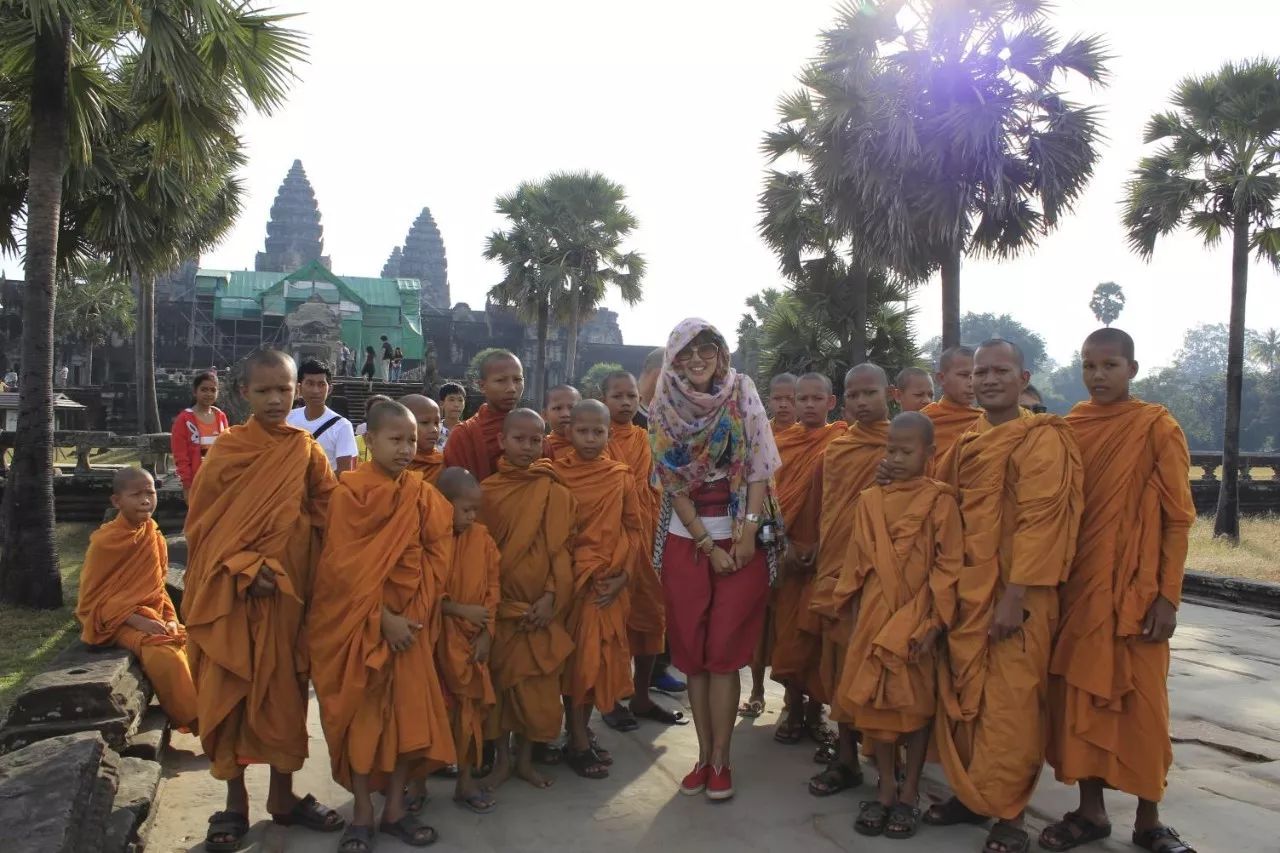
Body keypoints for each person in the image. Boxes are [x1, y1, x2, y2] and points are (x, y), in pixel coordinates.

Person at [1040, 328, 1197, 853]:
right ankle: (1090, 812)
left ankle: (1150, 819)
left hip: (1137, 595)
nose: (1098, 375)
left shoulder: (1156, 427)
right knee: (1081, 700)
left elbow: (1178, 518)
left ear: (1132, 368)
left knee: (1143, 706)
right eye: (1089, 365)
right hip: (1080, 590)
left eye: (1109, 365)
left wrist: (1168, 596)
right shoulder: (1068, 429)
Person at [181, 349, 344, 852]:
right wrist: (246, 570)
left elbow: (328, 517)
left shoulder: (307, 451)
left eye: (285, 389)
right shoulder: (227, 452)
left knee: (284, 695)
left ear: (298, 390)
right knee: (231, 696)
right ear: (244, 394)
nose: (276, 399)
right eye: (264, 391)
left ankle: (282, 798)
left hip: (290, 599)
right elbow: (203, 530)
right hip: (234, 599)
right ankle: (235, 803)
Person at [927, 339, 1083, 853]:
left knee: (1013, 705)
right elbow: (944, 512)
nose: (988, 380)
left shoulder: (1042, 439)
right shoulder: (967, 442)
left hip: (1021, 595)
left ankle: (1011, 815)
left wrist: (1015, 595)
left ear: (1023, 377)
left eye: (1000, 371)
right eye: (979, 373)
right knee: (963, 696)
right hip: (966, 592)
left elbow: (1043, 523)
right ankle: (971, 796)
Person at [308, 400, 454, 851]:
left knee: (406, 721)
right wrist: (382, 619)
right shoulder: (349, 493)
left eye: (412, 440)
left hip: (411, 626)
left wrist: (414, 615)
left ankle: (393, 809)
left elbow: (438, 555)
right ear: (369, 442)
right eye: (396, 439)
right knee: (358, 720)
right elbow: (339, 570)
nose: (407, 448)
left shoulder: (422, 494)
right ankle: (363, 814)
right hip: (360, 628)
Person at [649, 319, 782, 802]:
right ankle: (702, 757)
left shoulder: (741, 392)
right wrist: (707, 543)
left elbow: (759, 468)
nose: (698, 359)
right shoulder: (664, 404)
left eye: (708, 349)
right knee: (694, 658)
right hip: (689, 541)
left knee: (724, 657)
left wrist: (745, 536)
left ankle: (723, 761)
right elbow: (673, 482)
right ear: (674, 359)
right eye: (687, 352)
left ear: (722, 354)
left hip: (742, 537)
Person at [833, 412, 961, 839]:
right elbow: (855, 563)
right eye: (891, 450)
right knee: (876, 705)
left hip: (917, 617)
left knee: (917, 707)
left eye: (908, 451)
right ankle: (885, 786)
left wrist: (935, 622)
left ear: (931, 453)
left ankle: (910, 793)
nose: (898, 457)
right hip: (875, 613)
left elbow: (949, 565)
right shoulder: (870, 499)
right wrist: (850, 616)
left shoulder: (941, 500)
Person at [806, 363, 892, 797]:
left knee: (882, 671)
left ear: (889, 394)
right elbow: (827, 511)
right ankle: (844, 758)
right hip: (839, 572)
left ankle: (888, 774)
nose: (861, 402)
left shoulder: (905, 445)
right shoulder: (836, 450)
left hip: (886, 576)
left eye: (869, 393)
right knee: (839, 668)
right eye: (853, 394)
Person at [478, 408, 576, 791]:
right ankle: (502, 759)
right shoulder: (487, 492)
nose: (528, 447)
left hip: (542, 610)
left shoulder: (555, 491)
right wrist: (494, 604)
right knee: (500, 689)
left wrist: (552, 596)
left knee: (538, 690)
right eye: (519, 439)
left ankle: (524, 760)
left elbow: (562, 550)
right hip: (503, 610)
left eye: (536, 440)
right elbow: (478, 555)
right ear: (502, 441)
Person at [553, 399, 643, 780]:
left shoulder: (620, 476)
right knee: (576, 664)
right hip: (570, 584)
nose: (590, 439)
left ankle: (579, 731)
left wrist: (623, 577)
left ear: (609, 434)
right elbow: (550, 535)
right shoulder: (554, 476)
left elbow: (634, 529)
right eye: (583, 430)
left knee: (594, 663)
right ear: (569, 431)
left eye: (598, 431)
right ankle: (575, 738)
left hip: (609, 583)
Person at [76, 468, 198, 731]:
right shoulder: (105, 542)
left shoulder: (153, 534)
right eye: (136, 494)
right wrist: (135, 620)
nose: (145, 500)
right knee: (166, 655)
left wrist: (171, 619)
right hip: (115, 622)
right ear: (116, 501)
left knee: (197, 645)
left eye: (150, 493)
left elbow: (158, 587)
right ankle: (195, 719)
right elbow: (90, 602)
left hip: (151, 614)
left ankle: (213, 712)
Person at [598, 372, 684, 730]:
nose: (626, 402)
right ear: (603, 399)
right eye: (617, 395)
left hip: (649, 542)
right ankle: (608, 699)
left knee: (651, 621)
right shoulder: (595, 439)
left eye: (631, 396)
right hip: (610, 544)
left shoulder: (649, 439)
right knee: (611, 628)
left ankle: (642, 696)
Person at [768, 373, 843, 750]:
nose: (810, 405)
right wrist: (785, 545)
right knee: (788, 636)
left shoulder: (843, 442)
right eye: (803, 399)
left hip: (828, 554)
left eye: (818, 398)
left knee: (818, 639)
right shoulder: (779, 444)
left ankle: (816, 713)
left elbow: (846, 501)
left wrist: (823, 543)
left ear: (831, 402)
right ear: (794, 403)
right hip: (788, 554)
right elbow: (769, 501)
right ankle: (793, 707)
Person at [435, 467, 501, 814]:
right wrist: (459, 609)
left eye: (476, 510)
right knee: (430, 714)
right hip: (434, 643)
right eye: (465, 510)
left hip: (472, 643)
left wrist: (487, 632)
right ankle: (416, 786)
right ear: (443, 506)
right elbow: (423, 595)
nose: (472, 517)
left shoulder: (483, 540)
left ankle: (465, 782)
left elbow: (493, 590)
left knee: (469, 715)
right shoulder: (428, 540)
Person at [632, 347, 686, 695]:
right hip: (633, 521)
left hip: (670, 519)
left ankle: (658, 667)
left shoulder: (677, 420)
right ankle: (627, 678)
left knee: (666, 598)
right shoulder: (621, 421)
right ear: (651, 373)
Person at [443, 350, 527, 480]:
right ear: (482, 386)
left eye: (517, 380)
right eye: (501, 380)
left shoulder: (532, 429)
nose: (512, 388)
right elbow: (457, 490)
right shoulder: (463, 435)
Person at [286, 359, 358, 473]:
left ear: (330, 389)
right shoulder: (288, 419)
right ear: (299, 388)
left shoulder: (342, 426)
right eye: (310, 384)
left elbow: (344, 472)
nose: (315, 390)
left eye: (321, 384)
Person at [921, 345, 981, 473]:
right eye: (964, 375)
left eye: (976, 375)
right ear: (941, 378)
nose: (971, 383)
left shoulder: (985, 419)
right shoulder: (923, 420)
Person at [171, 370, 229, 498]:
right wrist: (187, 484)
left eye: (213, 390)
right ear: (195, 391)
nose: (208, 394)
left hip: (220, 480)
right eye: (204, 390)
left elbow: (227, 448)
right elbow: (180, 456)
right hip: (197, 481)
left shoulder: (221, 417)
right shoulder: (184, 419)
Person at [399, 394, 444, 481]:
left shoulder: (443, 464)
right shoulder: (391, 464)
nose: (434, 429)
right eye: (425, 422)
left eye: (436, 423)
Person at [543, 384, 581, 460]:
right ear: (545, 415)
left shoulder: (592, 445)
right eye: (557, 408)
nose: (565, 414)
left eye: (572, 408)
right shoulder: (542, 447)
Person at [437, 381, 467, 450]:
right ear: (442, 404)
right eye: (451, 400)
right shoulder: (435, 431)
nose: (456, 405)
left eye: (460, 400)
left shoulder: (468, 431)